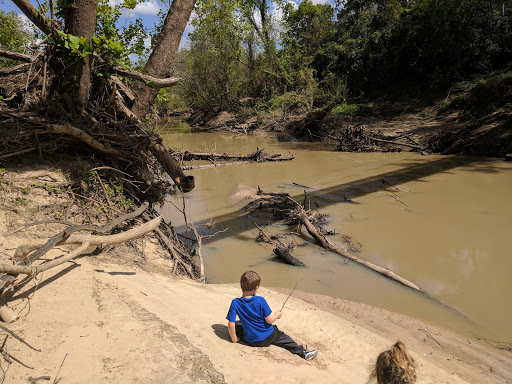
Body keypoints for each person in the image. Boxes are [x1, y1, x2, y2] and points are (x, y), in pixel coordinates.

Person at [226, 270, 318, 361]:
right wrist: (277, 315)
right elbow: (269, 320)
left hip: (251, 340)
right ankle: (302, 352)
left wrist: (235, 339)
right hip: (268, 336)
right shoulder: (260, 300)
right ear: (256, 288)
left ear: (241, 286)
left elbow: (231, 325)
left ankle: (243, 334)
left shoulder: (235, 302)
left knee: (238, 324)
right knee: (282, 336)